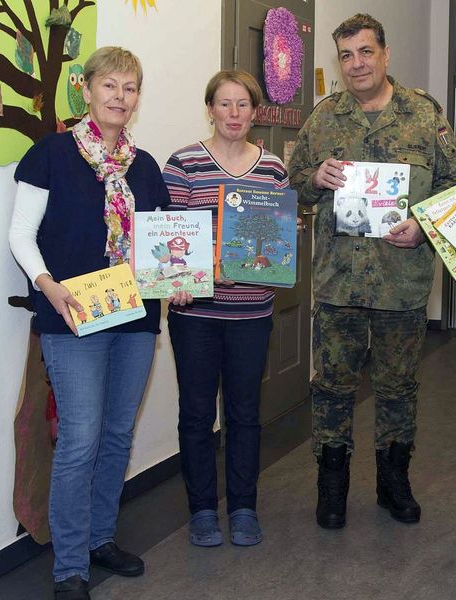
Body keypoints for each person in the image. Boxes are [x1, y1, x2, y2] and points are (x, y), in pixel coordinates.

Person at [287, 13, 456, 529]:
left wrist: (425, 226)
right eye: (346, 55)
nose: (356, 64)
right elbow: (293, 185)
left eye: (365, 52)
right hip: (339, 282)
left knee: (398, 387)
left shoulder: (422, 114)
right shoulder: (323, 118)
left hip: (401, 280)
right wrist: (314, 177)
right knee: (332, 388)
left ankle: (394, 484)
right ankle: (332, 487)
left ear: (385, 55)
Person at [9, 47, 175, 600]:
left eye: (130, 88)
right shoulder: (50, 155)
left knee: (116, 435)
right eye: (110, 86)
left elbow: (160, 247)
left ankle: (102, 537)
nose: (119, 98)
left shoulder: (145, 167)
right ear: (86, 89)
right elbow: (20, 236)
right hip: (73, 316)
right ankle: (70, 565)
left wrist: (180, 274)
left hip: (135, 318)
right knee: (79, 440)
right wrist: (47, 286)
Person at [162, 70, 289, 548]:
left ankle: (242, 508)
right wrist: (186, 280)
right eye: (224, 104)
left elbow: (274, 240)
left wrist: (280, 246)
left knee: (245, 414)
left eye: (243, 105)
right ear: (210, 108)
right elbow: (167, 237)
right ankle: (201, 511)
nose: (234, 114)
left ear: (255, 111)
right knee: (196, 414)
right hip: (195, 315)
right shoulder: (184, 165)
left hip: (252, 313)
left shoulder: (273, 168)